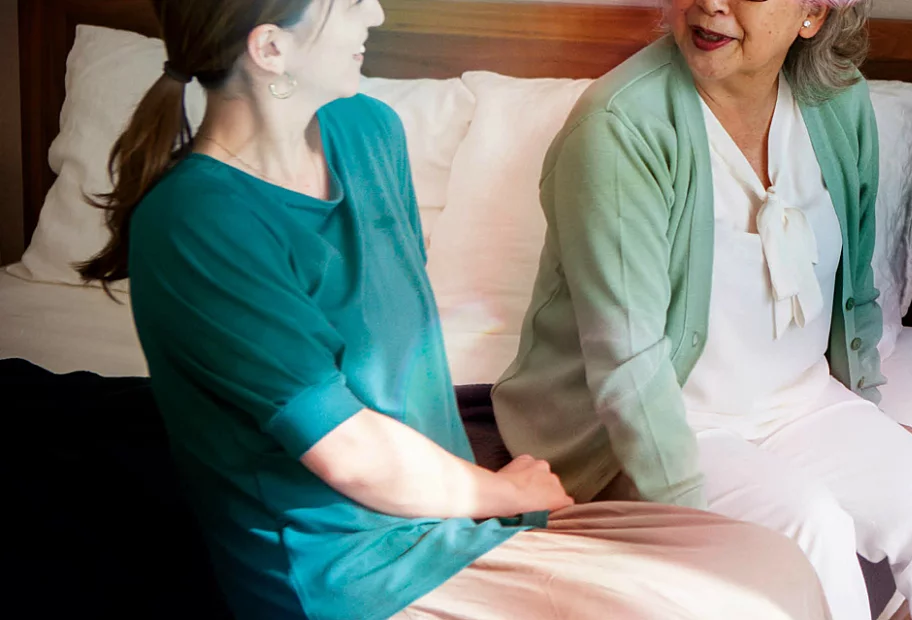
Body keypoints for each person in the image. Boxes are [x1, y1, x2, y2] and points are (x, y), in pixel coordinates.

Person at [80, 1, 830, 618]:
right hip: (353, 576)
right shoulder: (198, 223)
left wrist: (489, 505)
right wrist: (502, 490)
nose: (374, 12)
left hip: (449, 518)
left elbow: (400, 370)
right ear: (272, 49)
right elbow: (350, 449)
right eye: (347, 4)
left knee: (772, 564)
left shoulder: (366, 133)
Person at [491, 1, 912, 618]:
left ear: (813, 14)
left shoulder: (839, 103)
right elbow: (627, 367)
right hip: (664, 421)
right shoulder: (621, 125)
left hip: (800, 402)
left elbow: (855, 296)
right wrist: (690, 521)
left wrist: (869, 419)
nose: (711, 3)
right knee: (810, 528)